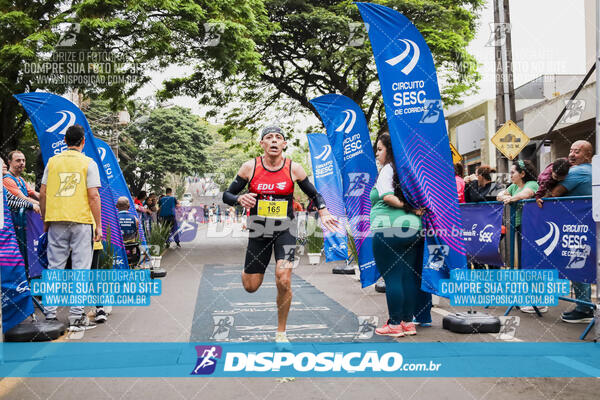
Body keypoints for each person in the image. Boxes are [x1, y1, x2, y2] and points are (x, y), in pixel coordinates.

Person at [222, 125, 338, 345]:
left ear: (284, 144)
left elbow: (315, 194)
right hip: (259, 230)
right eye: (269, 137)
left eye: (279, 138)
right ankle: (249, 270)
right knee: (250, 286)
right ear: (262, 144)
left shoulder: (294, 168)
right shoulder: (250, 167)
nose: (274, 141)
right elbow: (227, 194)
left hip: (286, 229)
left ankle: (281, 333)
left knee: (283, 280)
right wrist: (239, 199)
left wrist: (323, 211)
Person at [39, 124, 102, 331]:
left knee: (54, 268)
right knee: (80, 269)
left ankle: (49, 314)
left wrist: (46, 220)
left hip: (57, 221)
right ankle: (76, 316)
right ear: (83, 142)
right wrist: (98, 225)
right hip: (81, 221)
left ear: (65, 142)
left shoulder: (52, 162)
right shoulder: (88, 163)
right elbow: (93, 195)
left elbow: (43, 193)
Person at [370, 133, 430, 337]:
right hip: (413, 230)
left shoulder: (388, 169)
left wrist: (407, 206)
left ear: (390, 150)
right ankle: (408, 322)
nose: (377, 153)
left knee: (393, 277)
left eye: (380, 149)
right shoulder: (410, 170)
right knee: (407, 277)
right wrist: (413, 210)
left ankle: (394, 324)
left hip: (388, 229)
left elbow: (387, 197)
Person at [546, 140, 593, 323]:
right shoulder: (592, 171)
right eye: (571, 150)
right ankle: (584, 306)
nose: (572, 154)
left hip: (576, 227)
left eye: (577, 152)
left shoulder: (577, 171)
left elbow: (553, 195)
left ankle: (584, 308)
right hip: (585, 225)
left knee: (577, 263)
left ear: (588, 155)